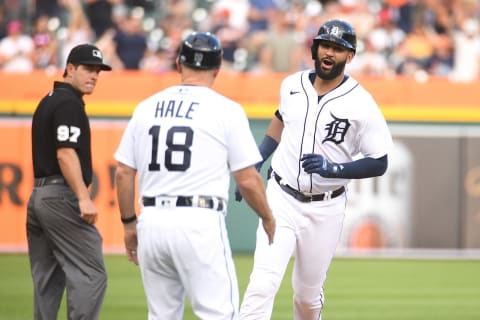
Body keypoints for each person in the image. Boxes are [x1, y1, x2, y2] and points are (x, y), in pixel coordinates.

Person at [237, 19, 393, 319]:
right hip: (280, 198)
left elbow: (380, 161)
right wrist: (255, 161)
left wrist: (334, 168)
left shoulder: (361, 103)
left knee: (307, 298)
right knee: (262, 284)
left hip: (326, 207)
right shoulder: (291, 85)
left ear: (350, 56)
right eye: (325, 45)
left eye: (338, 48)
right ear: (315, 48)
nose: (330, 52)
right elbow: (279, 123)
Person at [114, 31, 276, 320]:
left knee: (161, 315)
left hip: (151, 221)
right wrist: (267, 216)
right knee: (218, 315)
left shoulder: (146, 108)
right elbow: (248, 180)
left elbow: (124, 172)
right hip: (198, 221)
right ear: (217, 69)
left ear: (179, 64)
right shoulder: (226, 110)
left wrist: (129, 224)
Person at [27, 43, 112, 320]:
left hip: (39, 197)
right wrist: (83, 198)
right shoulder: (68, 102)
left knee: (48, 281)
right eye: (88, 69)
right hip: (59, 196)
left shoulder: (49, 99)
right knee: (92, 272)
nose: (94, 76)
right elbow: (65, 153)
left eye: (98, 71)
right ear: (70, 69)